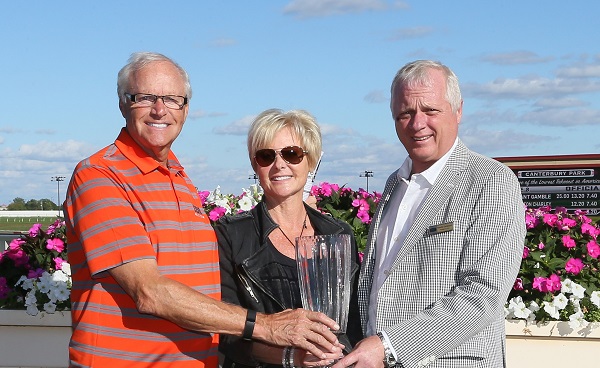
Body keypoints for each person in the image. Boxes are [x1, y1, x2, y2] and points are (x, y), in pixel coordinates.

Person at [63, 52, 342, 368]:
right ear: (123, 103)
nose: (160, 110)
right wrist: (267, 326)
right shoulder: (100, 175)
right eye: (146, 98)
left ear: (185, 110)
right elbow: (149, 292)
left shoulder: (180, 179)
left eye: (172, 99)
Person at [333, 60, 526, 368]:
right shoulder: (394, 183)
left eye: (431, 110)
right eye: (405, 113)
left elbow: (484, 295)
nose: (417, 123)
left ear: (458, 111)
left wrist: (389, 347)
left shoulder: (491, 181)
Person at [215, 109, 363, 368]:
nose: (279, 165)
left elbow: (354, 321)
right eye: (266, 156)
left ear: (311, 161)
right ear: (255, 165)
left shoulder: (339, 234)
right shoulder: (231, 236)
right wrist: (292, 358)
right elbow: (227, 332)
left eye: (292, 154)